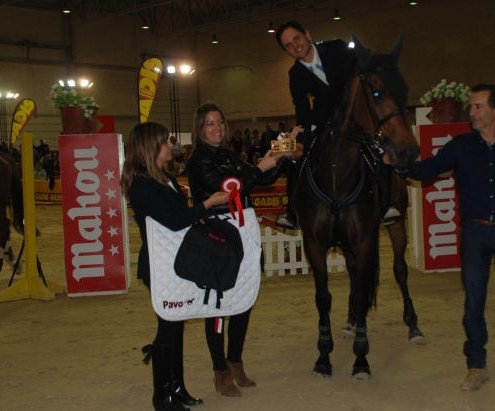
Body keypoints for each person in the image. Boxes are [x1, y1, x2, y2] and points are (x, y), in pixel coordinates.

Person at [396, 84, 495, 395]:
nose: (471, 112)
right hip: (474, 233)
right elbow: (428, 170)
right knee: (474, 303)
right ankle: (476, 365)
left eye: (478, 106)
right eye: (471, 106)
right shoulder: (460, 145)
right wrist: (397, 165)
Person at [186, 103, 296, 397]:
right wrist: (260, 168)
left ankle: (235, 360)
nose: (217, 128)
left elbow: (261, 177)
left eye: (220, 122)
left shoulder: (229, 154)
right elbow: (226, 190)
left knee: (244, 300)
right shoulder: (198, 161)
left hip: (244, 233)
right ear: (200, 128)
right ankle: (219, 369)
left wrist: (285, 147)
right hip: (218, 237)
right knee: (219, 306)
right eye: (210, 123)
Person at [120, 121, 229, 411]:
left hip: (174, 261)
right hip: (159, 264)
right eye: (165, 141)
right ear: (151, 146)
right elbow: (175, 220)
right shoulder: (142, 185)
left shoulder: (162, 178)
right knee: (168, 329)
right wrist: (208, 204)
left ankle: (177, 387)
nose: (170, 145)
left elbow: (179, 213)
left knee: (175, 326)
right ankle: (162, 395)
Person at [274, 20, 400, 229]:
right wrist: (299, 140)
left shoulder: (337, 47)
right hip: (321, 120)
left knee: (380, 148)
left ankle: (387, 205)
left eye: (296, 38)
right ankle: (292, 212)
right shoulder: (294, 74)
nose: (295, 46)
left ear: (307, 34)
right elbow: (303, 109)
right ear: (287, 51)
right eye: (288, 45)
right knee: (293, 158)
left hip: (354, 115)